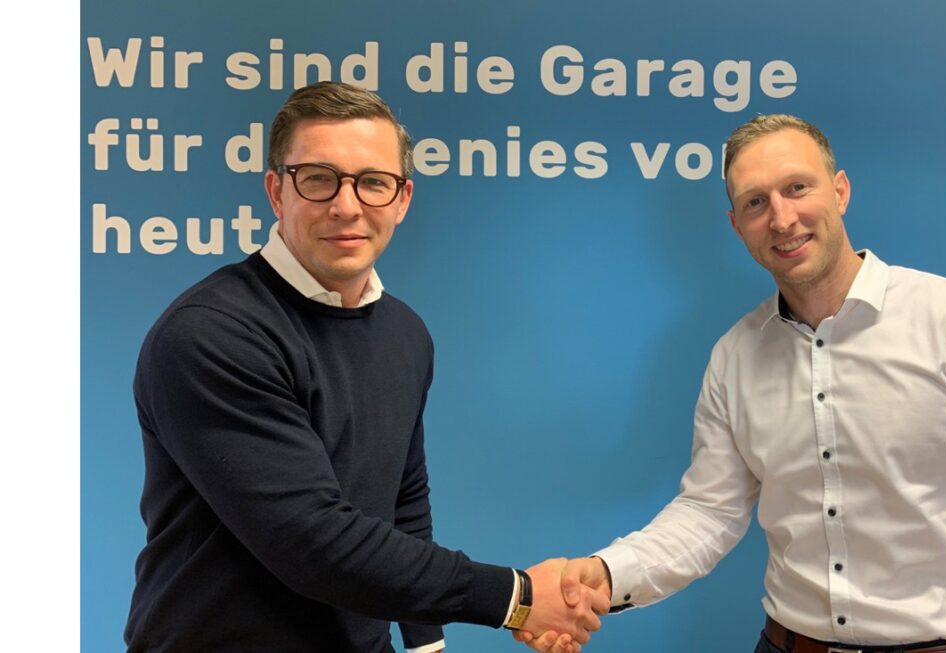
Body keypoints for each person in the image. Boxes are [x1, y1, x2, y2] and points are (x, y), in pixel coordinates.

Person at [518, 114, 946, 653]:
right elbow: (709, 512)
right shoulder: (735, 356)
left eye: (797, 188)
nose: (782, 219)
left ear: (839, 191)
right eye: (756, 202)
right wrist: (605, 576)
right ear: (737, 225)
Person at [125, 81, 604, 653]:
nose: (347, 206)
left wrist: (426, 644)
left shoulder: (405, 331)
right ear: (277, 192)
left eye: (373, 182)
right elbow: (312, 540)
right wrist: (517, 598)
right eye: (318, 178)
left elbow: (403, 500)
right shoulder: (211, 333)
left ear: (402, 199)